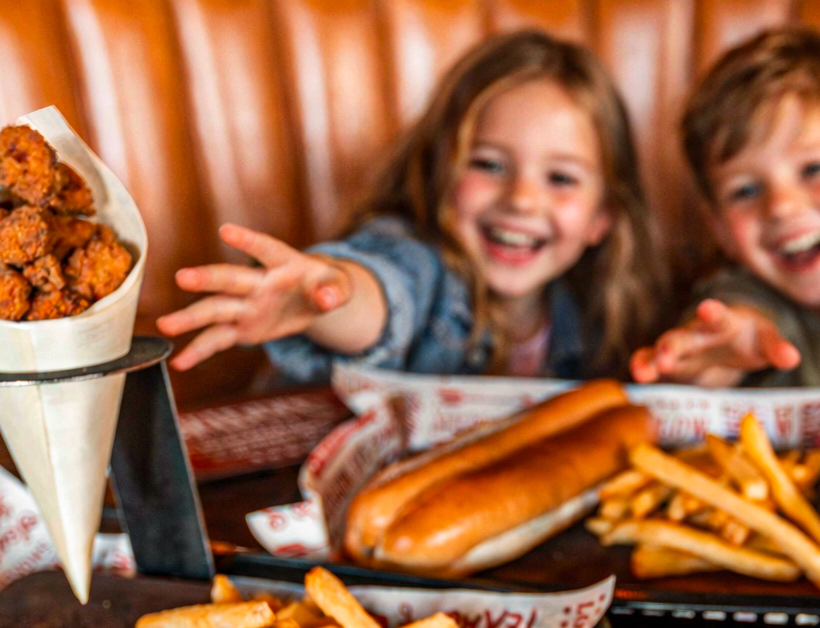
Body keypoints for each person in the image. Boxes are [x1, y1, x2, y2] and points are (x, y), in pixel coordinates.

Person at [159, 31, 665, 380]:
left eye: (560, 178)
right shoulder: (420, 258)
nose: (523, 200)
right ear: (436, 171)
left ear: (604, 218)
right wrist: (328, 295)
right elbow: (384, 288)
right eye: (488, 164)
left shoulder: (598, 314)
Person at [629, 27, 820, 387]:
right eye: (745, 190)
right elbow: (736, 318)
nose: (781, 206)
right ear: (719, 229)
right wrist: (707, 361)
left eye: (814, 169)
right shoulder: (747, 294)